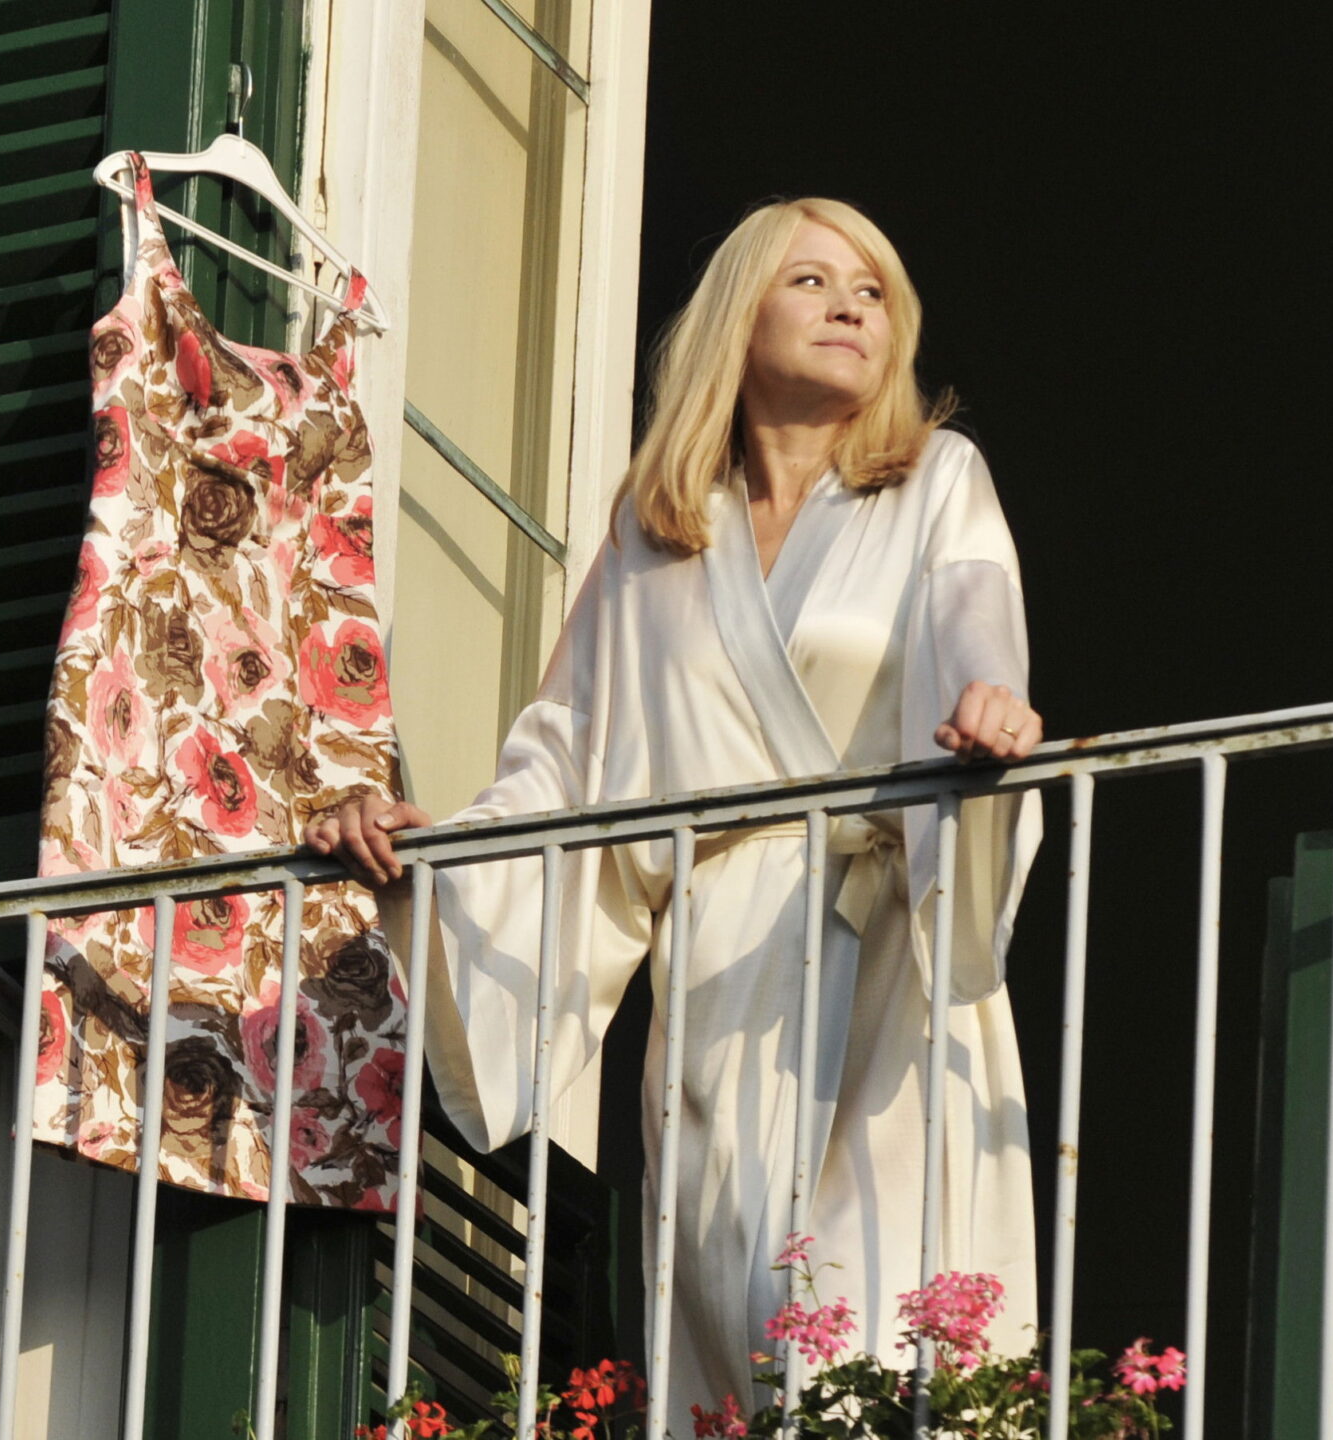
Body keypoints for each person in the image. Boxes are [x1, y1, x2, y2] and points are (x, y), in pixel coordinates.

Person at [306, 198, 1045, 1412]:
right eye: (812, 281)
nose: (850, 306)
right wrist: (441, 851)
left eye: (871, 290)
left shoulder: (933, 480)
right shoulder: (656, 536)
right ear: (737, 317)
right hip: (719, 963)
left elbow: (975, 614)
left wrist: (992, 705)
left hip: (889, 945)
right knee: (743, 1312)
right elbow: (565, 752)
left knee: (870, 1320)